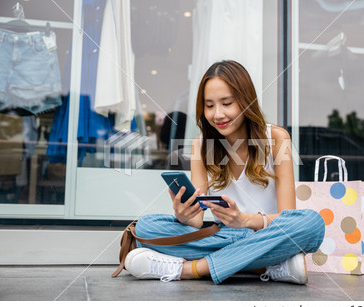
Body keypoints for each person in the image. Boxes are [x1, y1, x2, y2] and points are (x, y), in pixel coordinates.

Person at [125, 60, 325, 285]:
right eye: (209, 106)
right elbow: (197, 221)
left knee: (311, 224)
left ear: (246, 102)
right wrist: (184, 215)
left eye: (227, 103)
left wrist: (245, 220)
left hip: (265, 233)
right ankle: (267, 265)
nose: (217, 114)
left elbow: (288, 216)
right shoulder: (201, 146)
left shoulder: (277, 138)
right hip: (227, 235)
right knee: (145, 227)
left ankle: (188, 269)